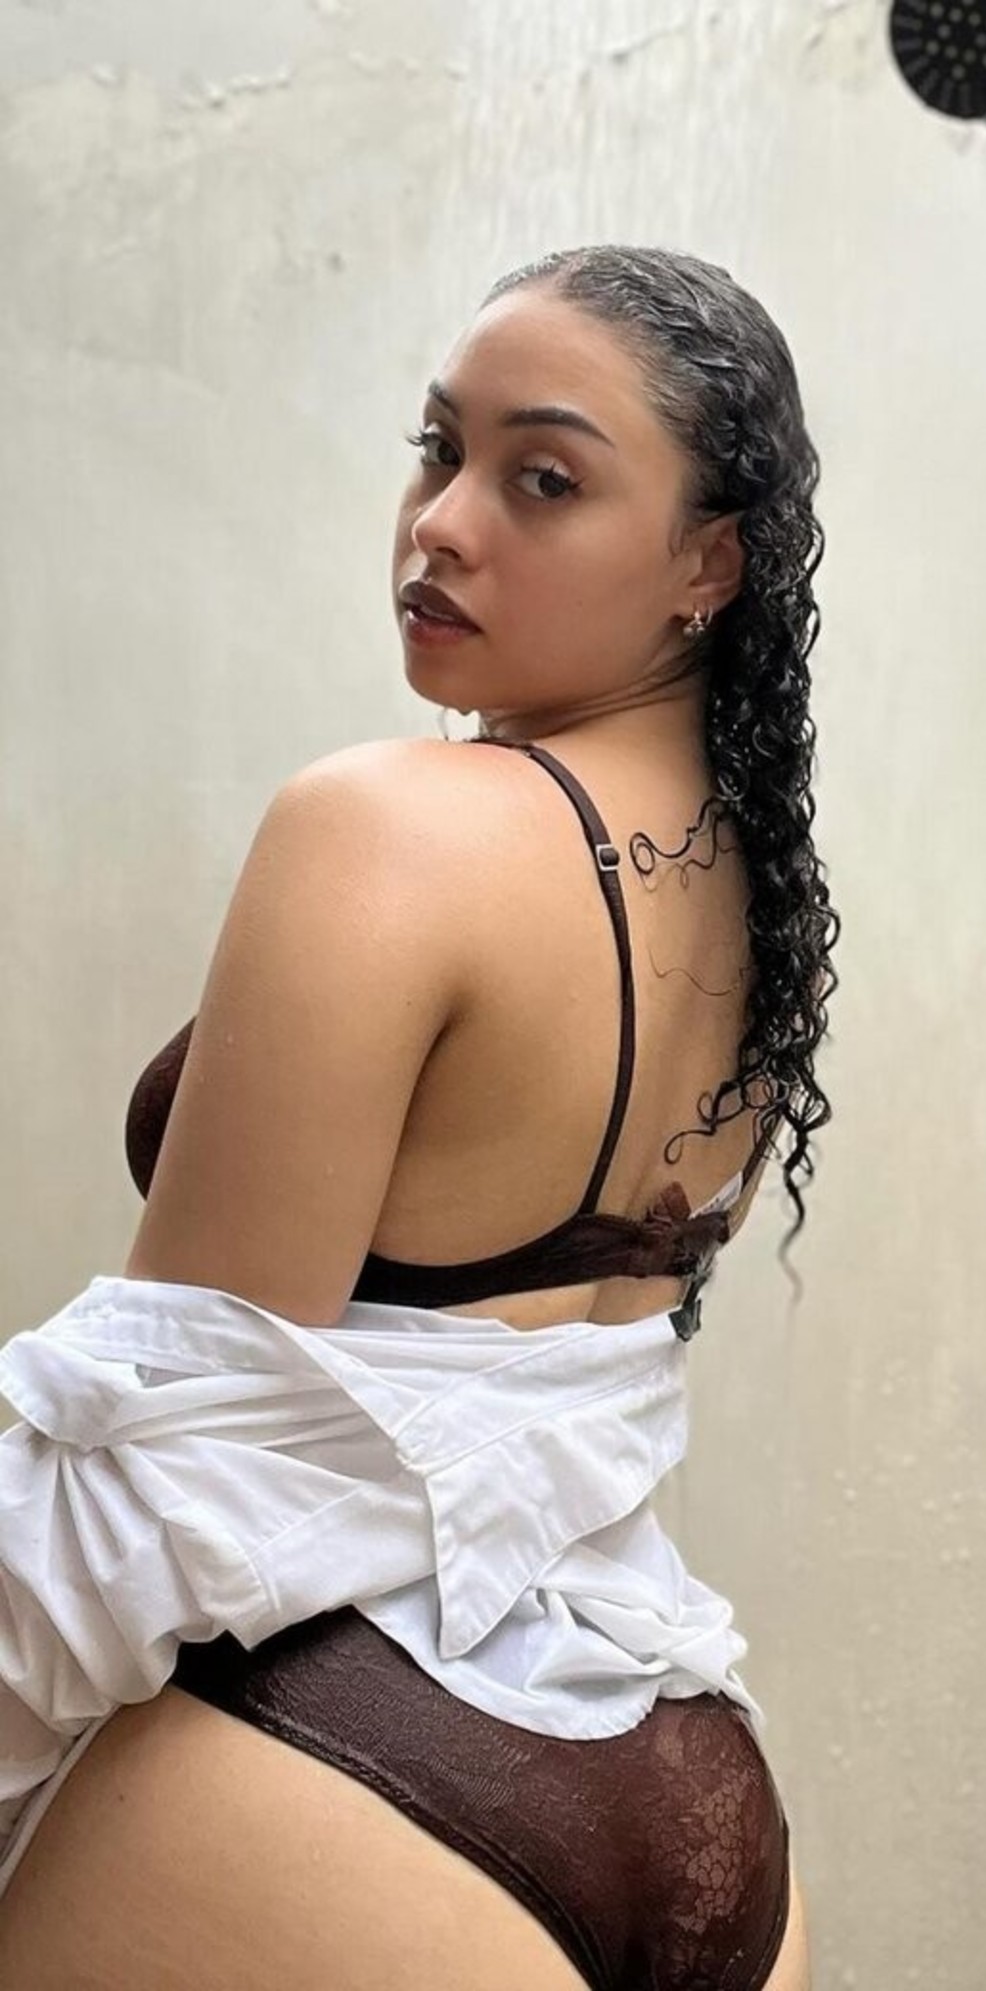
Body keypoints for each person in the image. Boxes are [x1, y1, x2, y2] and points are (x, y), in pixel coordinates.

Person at [0, 243, 837, 1989]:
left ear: (710, 562)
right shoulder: (760, 897)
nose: (441, 524)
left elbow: (178, 1442)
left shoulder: (385, 825)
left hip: (335, 1784)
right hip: (680, 1765)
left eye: (544, 479)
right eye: (439, 449)